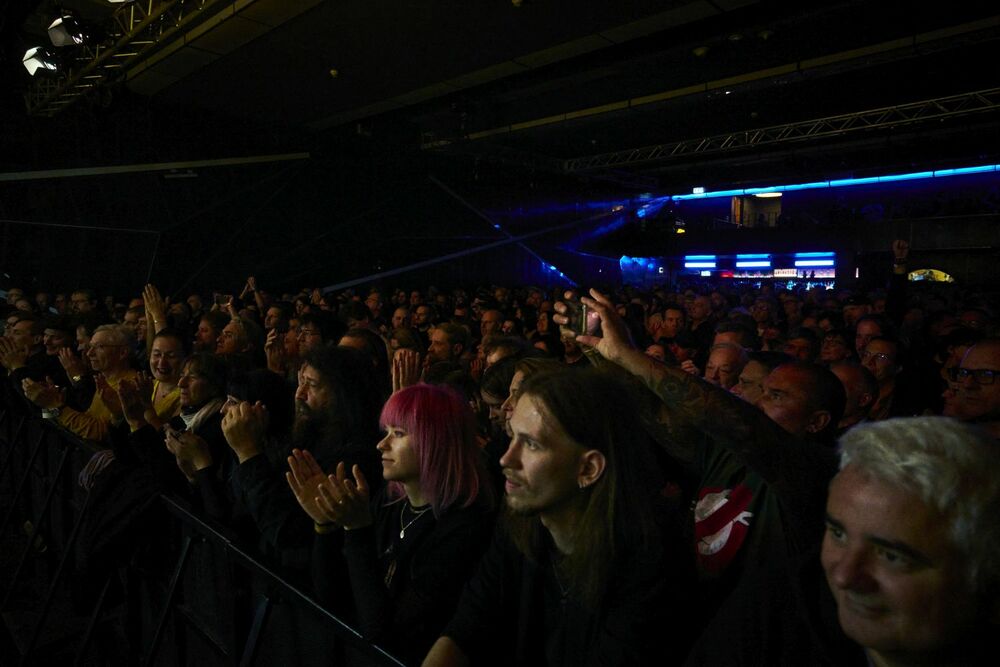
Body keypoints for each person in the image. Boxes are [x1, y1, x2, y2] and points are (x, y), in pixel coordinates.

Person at [423, 368, 695, 666]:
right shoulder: (520, 525)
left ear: (589, 469)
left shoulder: (651, 563)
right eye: (512, 436)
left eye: (531, 444)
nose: (506, 459)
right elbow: (466, 629)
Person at [287, 384, 495, 664]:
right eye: (386, 432)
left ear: (435, 441)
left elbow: (385, 635)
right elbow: (331, 596)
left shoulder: (464, 528)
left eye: (398, 434)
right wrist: (326, 525)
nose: (381, 444)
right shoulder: (391, 503)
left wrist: (357, 530)